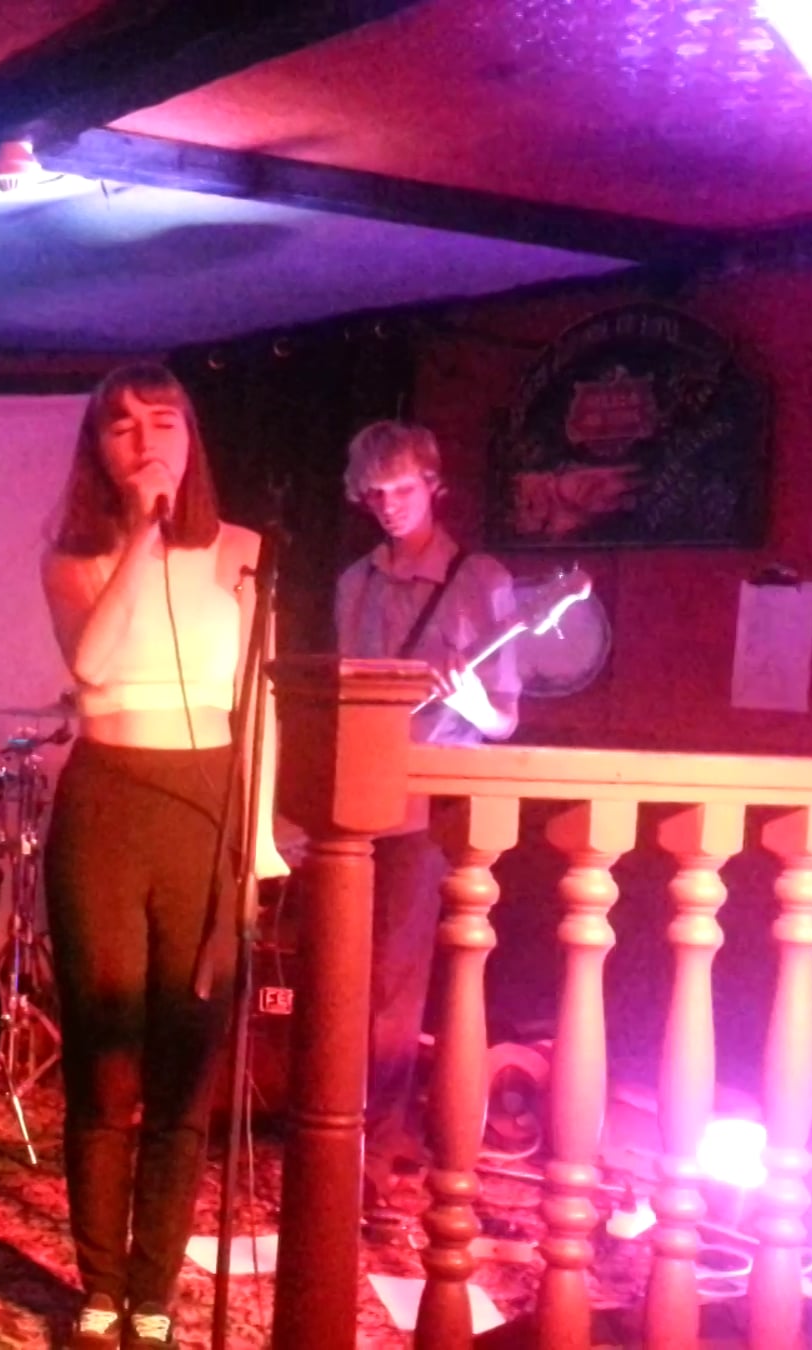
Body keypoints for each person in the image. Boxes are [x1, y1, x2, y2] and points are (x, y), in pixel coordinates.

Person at [39, 364, 288, 1347]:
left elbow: (261, 705)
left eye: (165, 421)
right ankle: (99, 1288)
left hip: (207, 808)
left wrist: (258, 843)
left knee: (186, 1070)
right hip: (107, 804)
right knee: (106, 1065)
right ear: (98, 451)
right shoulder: (73, 555)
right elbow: (92, 661)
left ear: (192, 436)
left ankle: (152, 1295)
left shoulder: (246, 552)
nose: (147, 442)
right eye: (122, 427)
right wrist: (144, 536)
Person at [331, 420, 520, 1213]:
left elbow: (505, 720)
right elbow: (342, 692)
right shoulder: (355, 582)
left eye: (403, 490)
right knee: (342, 975)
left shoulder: (481, 580)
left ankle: (376, 1148)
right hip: (353, 796)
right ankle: (333, 1130)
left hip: (427, 806)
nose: (389, 506)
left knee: (394, 989)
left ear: (433, 485)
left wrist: (470, 702)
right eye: (375, 494)